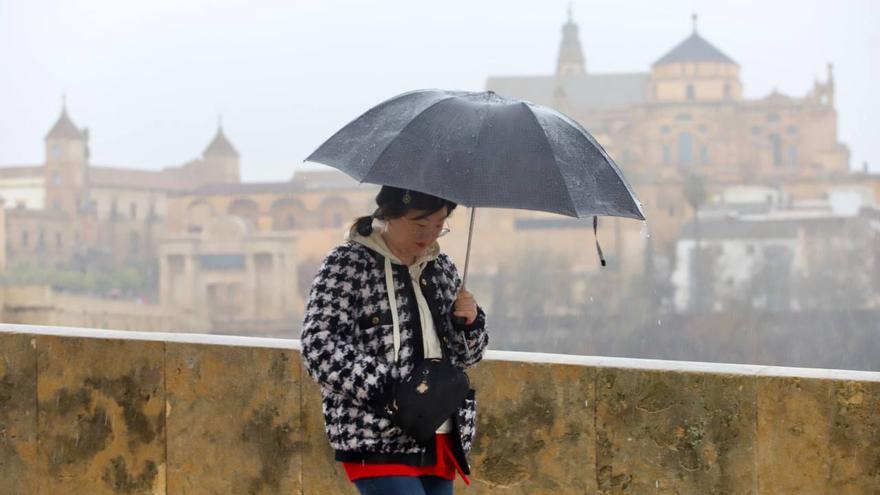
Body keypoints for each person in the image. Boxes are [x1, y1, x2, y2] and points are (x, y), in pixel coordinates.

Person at [301, 185, 489, 495]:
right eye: (419, 224)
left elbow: (470, 355)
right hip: (376, 432)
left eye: (439, 226)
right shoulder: (348, 263)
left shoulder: (442, 268)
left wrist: (469, 323)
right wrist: (389, 389)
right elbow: (319, 345)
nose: (429, 234)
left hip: (439, 429)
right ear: (389, 215)